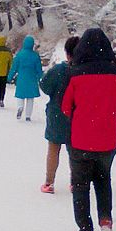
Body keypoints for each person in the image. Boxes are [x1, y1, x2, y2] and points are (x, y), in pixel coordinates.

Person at [61, 28, 116, 231]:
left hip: (79, 138)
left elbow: (65, 107)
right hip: (108, 139)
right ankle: (106, 219)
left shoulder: (74, 74)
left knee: (80, 185)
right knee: (103, 179)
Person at [38, 35, 80, 194]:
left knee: (53, 149)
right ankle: (75, 182)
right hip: (76, 116)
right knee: (74, 151)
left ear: (67, 53)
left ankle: (49, 183)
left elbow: (45, 85)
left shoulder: (58, 70)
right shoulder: (82, 72)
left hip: (57, 113)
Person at [7, 35, 43, 121]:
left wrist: (9, 77)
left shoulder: (19, 55)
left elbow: (14, 67)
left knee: (20, 96)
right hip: (32, 79)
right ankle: (28, 116)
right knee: (30, 98)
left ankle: (20, 107)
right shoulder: (35, 56)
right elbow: (39, 69)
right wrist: (41, 78)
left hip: (21, 79)